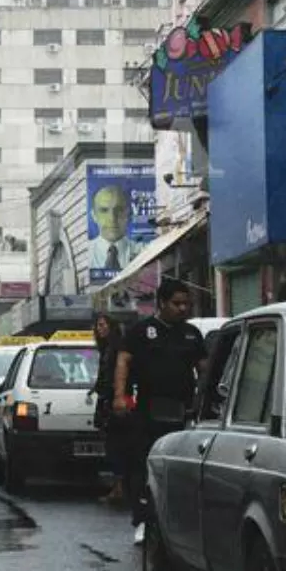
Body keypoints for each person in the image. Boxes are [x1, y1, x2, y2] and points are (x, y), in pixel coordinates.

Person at [114, 279, 208, 545]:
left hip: (183, 411)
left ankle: (180, 521)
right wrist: (120, 396)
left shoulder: (191, 334)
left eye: (186, 304)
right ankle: (144, 519)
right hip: (148, 410)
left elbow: (205, 369)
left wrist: (207, 398)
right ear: (162, 303)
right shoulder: (142, 331)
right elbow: (124, 360)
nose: (182, 308)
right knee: (144, 465)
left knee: (181, 467)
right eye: (177, 303)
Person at [90, 312, 127, 504]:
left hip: (116, 403)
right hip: (107, 402)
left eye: (103, 325)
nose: (100, 329)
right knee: (112, 445)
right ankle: (118, 486)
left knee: (117, 445)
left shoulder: (116, 349)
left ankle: (120, 488)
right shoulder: (106, 349)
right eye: (98, 325)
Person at [88, 185, 145, 271]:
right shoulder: (86, 253)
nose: (112, 218)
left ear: (127, 213)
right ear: (94, 216)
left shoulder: (144, 252)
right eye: (104, 210)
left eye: (119, 210)